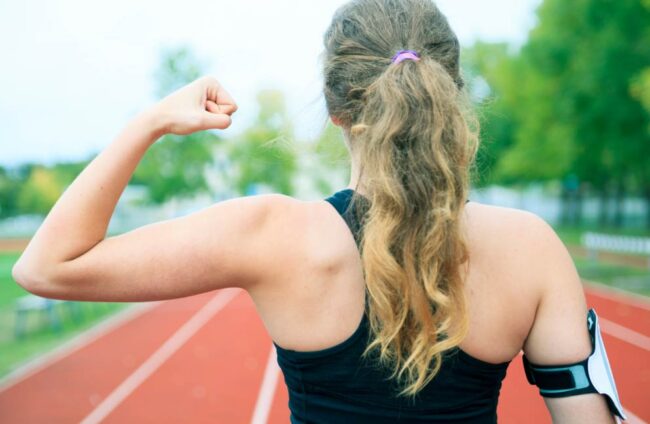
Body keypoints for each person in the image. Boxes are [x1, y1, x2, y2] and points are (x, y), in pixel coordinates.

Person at [12, 0, 622, 422]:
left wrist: (149, 122)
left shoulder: (274, 236)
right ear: (452, 92)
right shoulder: (532, 248)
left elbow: (47, 267)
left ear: (336, 109)